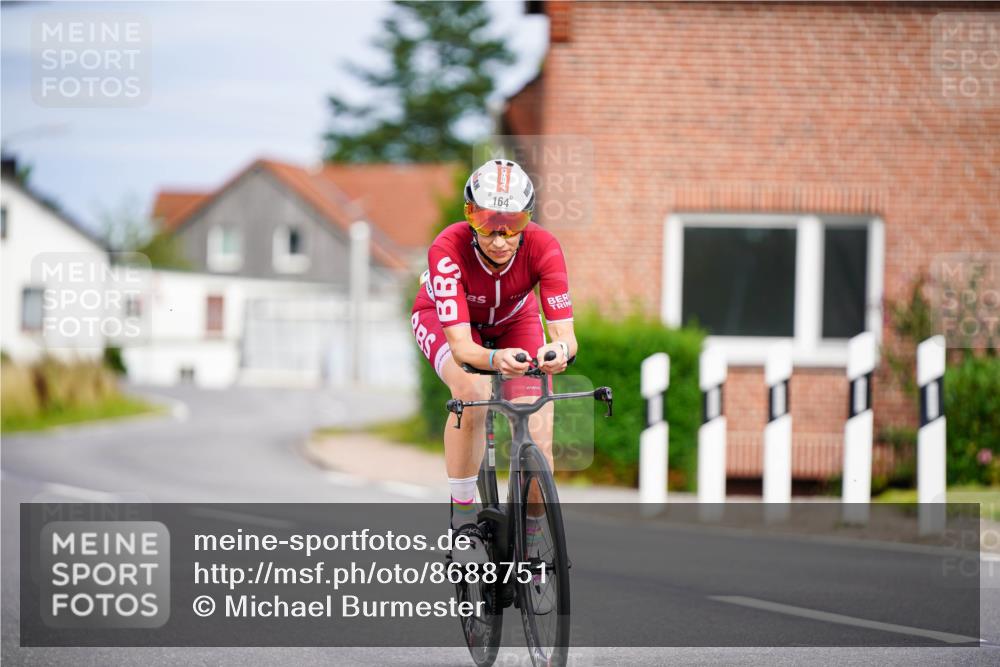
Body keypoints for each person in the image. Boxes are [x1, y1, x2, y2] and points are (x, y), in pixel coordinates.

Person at [410, 159, 577, 576]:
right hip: (447, 321)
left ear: (527, 219)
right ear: (470, 218)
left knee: (539, 435)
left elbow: (566, 336)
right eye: (487, 224)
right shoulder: (447, 249)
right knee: (473, 392)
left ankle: (533, 539)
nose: (500, 239)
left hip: (515, 321)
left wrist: (558, 351)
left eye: (512, 224)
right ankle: (463, 518)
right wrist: (493, 359)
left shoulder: (544, 246)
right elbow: (463, 348)